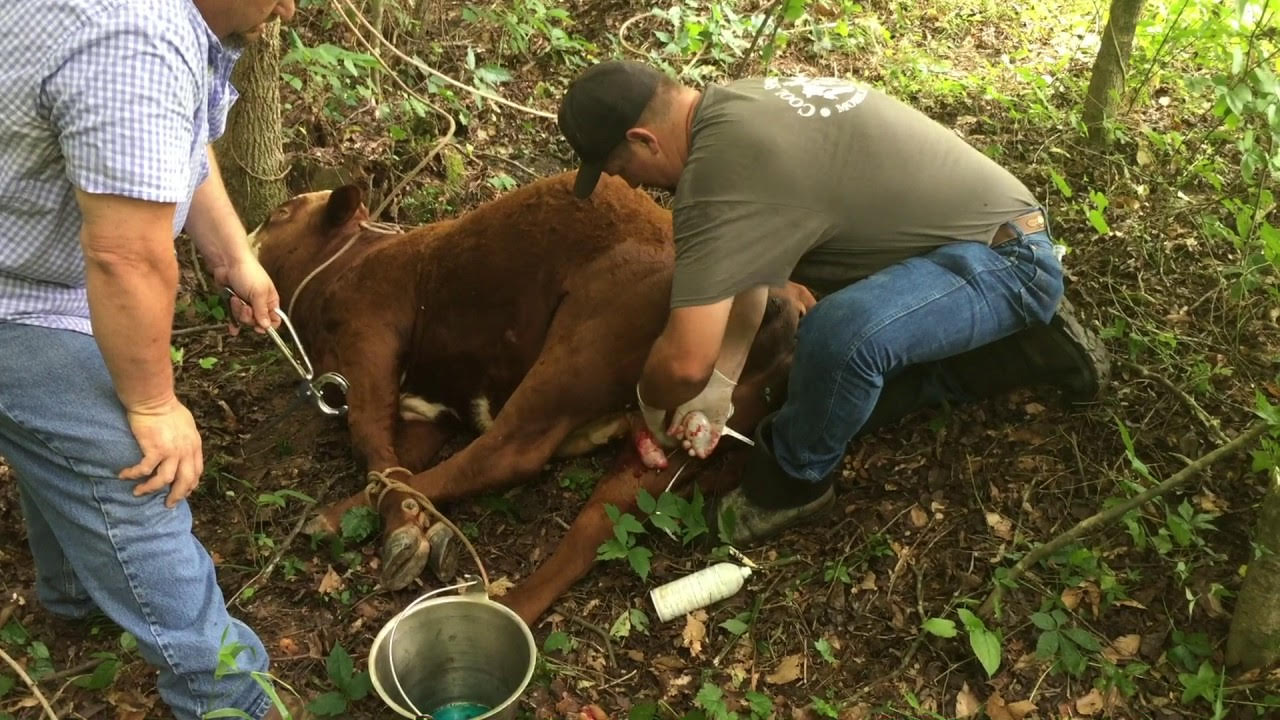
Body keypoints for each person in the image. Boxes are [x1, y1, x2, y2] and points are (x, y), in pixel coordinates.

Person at [557, 61, 1109, 545]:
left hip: (1007, 264)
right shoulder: (736, 108)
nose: (631, 187)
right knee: (838, 356)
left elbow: (681, 363)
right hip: (976, 236)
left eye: (622, 170)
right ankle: (1020, 340)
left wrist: (651, 411)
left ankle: (792, 486)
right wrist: (721, 389)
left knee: (838, 339)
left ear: (645, 139)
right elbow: (749, 270)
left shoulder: (717, 175)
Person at [0, 1, 304, 718]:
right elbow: (126, 256)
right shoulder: (133, 34)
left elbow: (170, 141)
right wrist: (153, 406)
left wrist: (234, 256)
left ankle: (73, 597)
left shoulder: (144, 20)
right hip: (19, 303)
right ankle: (227, 697)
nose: (287, 7)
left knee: (63, 440)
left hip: (36, 268)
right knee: (136, 472)